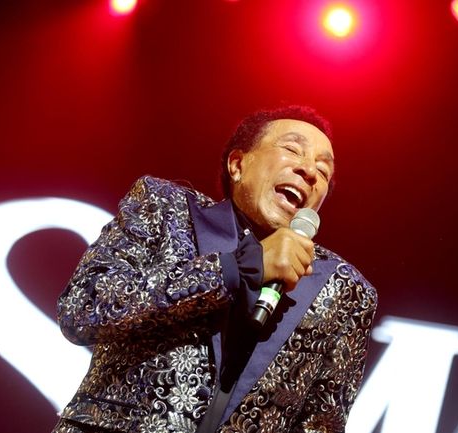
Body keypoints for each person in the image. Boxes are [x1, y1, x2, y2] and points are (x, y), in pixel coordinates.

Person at [51, 106, 378, 433]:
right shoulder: (166, 207)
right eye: (292, 149)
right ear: (237, 164)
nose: (309, 170)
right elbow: (82, 309)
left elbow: (322, 425)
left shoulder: (343, 288)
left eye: (323, 171)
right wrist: (237, 268)